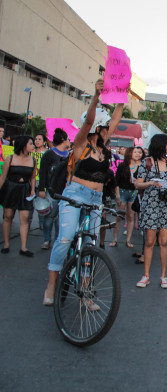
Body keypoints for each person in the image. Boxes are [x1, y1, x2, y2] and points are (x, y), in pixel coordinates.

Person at [43, 78, 124, 306]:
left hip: (95, 199)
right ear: (97, 127)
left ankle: (85, 292)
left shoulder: (104, 147)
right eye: (105, 126)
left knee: (90, 245)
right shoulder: (81, 144)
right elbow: (88, 122)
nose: (109, 129)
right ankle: (51, 285)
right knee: (65, 237)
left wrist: (121, 98)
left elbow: (117, 117)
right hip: (74, 194)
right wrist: (96, 96)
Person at [134, 134, 167, 289]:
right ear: (161, 144)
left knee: (164, 242)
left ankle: (163, 276)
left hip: (166, 206)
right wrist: (151, 183)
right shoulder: (146, 163)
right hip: (150, 206)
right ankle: (146, 275)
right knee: (149, 242)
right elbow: (138, 185)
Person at [0, 135, 37, 256]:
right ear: (23, 145)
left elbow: (32, 178)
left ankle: (23, 247)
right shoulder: (10, 158)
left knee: (25, 217)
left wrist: (32, 190)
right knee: (8, 216)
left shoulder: (33, 160)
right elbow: (3, 177)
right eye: (31, 143)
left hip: (25, 190)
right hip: (11, 188)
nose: (33, 146)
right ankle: (6, 244)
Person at [37, 128, 71, 249]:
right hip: (52, 191)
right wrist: (42, 189)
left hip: (65, 192)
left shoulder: (69, 155)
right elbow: (43, 173)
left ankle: (58, 240)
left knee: (60, 218)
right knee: (50, 216)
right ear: (63, 140)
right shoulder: (49, 154)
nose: (70, 141)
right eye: (68, 139)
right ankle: (47, 240)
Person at [113, 146, 141, 248]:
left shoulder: (140, 167)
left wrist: (137, 183)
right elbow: (116, 181)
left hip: (133, 193)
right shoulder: (122, 166)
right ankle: (115, 239)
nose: (138, 154)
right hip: (122, 192)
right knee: (119, 217)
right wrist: (118, 195)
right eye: (135, 152)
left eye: (139, 152)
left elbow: (142, 182)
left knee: (130, 216)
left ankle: (128, 240)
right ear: (129, 153)